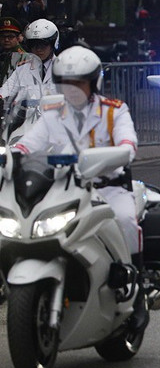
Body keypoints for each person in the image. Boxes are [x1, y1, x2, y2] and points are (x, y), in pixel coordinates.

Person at [12, 45, 148, 332]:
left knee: (124, 219)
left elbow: (128, 147)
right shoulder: (52, 113)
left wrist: (114, 155)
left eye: (78, 83)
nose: (71, 89)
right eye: (65, 83)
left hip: (107, 189)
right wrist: (10, 155)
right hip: (64, 188)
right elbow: (28, 144)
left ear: (93, 82)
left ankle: (137, 292)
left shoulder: (114, 111)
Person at [1, 18, 59, 102]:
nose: (38, 49)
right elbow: (6, 90)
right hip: (28, 114)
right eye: (34, 45)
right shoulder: (23, 69)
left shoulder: (63, 69)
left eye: (43, 44)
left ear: (53, 44)